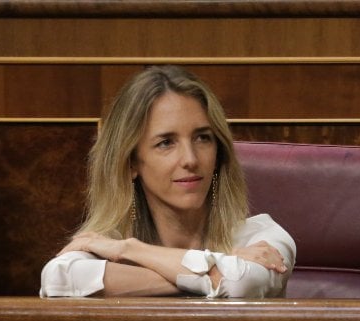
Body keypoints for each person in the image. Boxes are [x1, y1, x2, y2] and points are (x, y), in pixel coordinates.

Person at [40, 65, 296, 298]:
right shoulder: (105, 243)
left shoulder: (263, 238)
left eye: (203, 138)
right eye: (166, 143)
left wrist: (130, 250)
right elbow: (57, 278)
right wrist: (220, 265)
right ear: (131, 163)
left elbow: (240, 283)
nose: (190, 159)